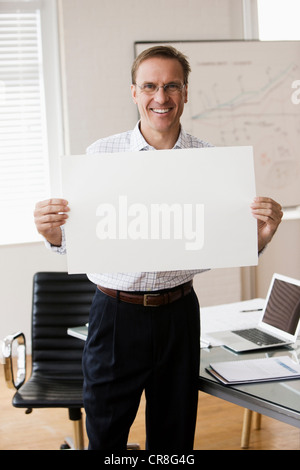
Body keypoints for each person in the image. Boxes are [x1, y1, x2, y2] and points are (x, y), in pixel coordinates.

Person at [34, 46, 283, 451]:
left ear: (185, 93)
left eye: (171, 86)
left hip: (179, 316)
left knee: (174, 441)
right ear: (134, 92)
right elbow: (76, 243)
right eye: (150, 86)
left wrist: (259, 238)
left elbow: (219, 242)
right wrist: (54, 234)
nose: (161, 97)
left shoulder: (210, 162)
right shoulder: (101, 156)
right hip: (115, 317)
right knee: (106, 441)